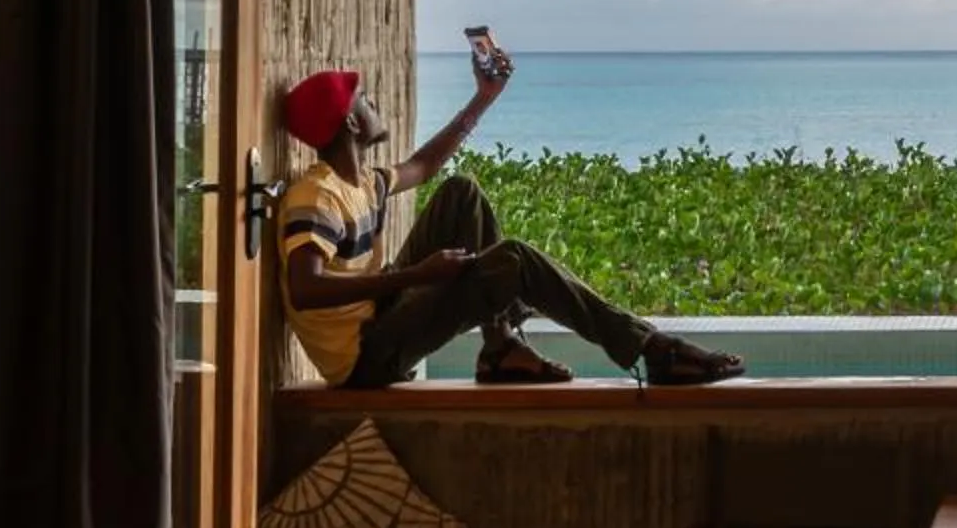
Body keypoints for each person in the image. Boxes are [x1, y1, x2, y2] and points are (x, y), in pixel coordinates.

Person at [272, 59, 744, 388]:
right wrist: (420, 275)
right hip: (364, 359)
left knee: (462, 192)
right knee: (511, 259)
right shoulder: (316, 197)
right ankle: (653, 350)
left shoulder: (362, 183)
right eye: (363, 99)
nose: (373, 101)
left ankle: (500, 345)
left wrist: (484, 97)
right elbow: (305, 289)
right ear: (351, 125)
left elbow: (423, 166)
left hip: (379, 319)